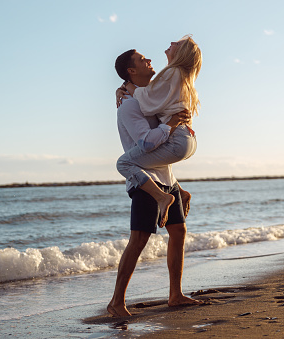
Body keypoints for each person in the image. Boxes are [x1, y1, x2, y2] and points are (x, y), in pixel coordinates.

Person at [107, 47, 202, 318]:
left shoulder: (148, 95)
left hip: (166, 179)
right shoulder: (128, 105)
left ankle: (175, 295)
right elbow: (146, 143)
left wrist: (177, 184)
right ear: (131, 71)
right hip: (145, 181)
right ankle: (116, 302)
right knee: (138, 239)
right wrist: (171, 124)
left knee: (179, 234)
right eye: (142, 60)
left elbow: (163, 150)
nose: (150, 61)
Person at [116, 35, 201, 227]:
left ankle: (163, 198)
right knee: (178, 232)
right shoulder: (180, 75)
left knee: (124, 162)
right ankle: (179, 191)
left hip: (179, 138)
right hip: (187, 138)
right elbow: (150, 93)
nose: (171, 43)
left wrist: (128, 87)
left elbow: (146, 103)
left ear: (182, 53)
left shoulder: (172, 72)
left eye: (176, 44)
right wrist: (123, 87)